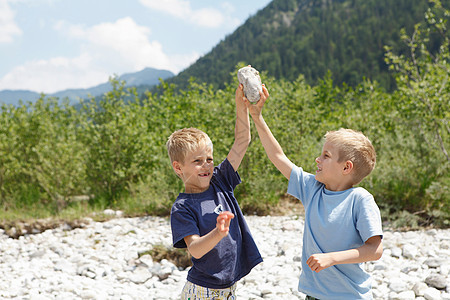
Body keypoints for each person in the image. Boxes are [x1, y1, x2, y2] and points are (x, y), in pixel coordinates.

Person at [246, 85, 383, 299]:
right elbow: (278, 157)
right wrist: (257, 116)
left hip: (349, 296)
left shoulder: (360, 199)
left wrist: (332, 258)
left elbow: (375, 250)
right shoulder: (312, 189)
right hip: (313, 294)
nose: (317, 159)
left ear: (346, 167)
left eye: (326, 156)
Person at [166, 84, 263, 300]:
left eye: (209, 159)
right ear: (178, 167)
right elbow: (196, 250)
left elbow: (242, 141)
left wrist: (241, 103)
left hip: (228, 288)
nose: (207, 166)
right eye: (197, 161)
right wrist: (218, 232)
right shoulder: (182, 207)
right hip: (202, 290)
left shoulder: (221, 181)